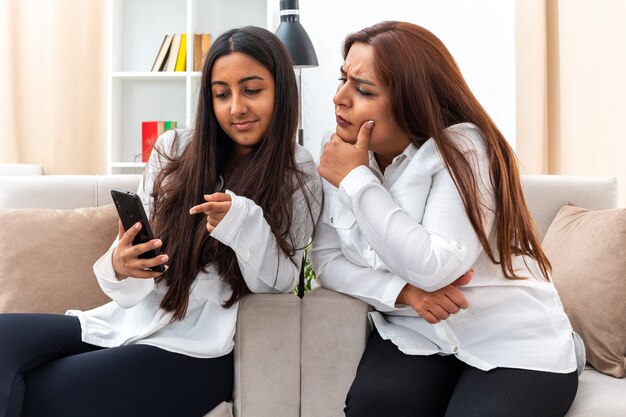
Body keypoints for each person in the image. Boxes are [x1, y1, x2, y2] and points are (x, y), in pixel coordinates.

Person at [0, 26, 321, 417]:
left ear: (282, 92)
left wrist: (242, 221)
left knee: (41, 391)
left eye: (252, 90)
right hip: (130, 321)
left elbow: (281, 282)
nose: (236, 107)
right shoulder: (174, 150)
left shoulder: (298, 171)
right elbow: (136, 268)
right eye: (222, 94)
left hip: (197, 349)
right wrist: (121, 265)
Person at [311, 21, 582, 417]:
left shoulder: (463, 148)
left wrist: (356, 179)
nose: (339, 98)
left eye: (363, 90)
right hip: (417, 333)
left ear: (412, 101)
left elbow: (434, 266)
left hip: (513, 340)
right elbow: (327, 261)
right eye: (343, 79)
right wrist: (404, 294)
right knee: (374, 406)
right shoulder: (337, 150)